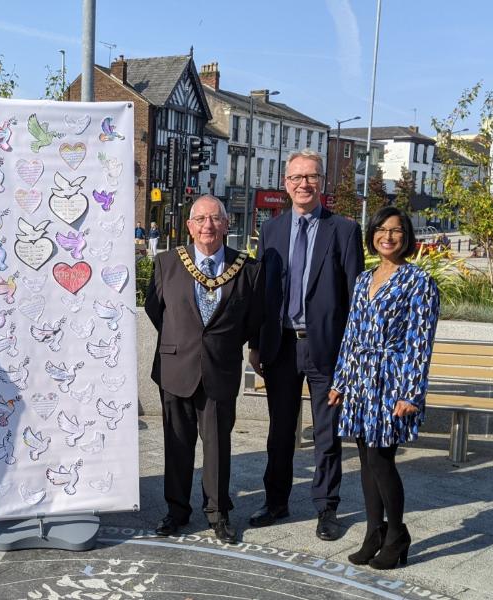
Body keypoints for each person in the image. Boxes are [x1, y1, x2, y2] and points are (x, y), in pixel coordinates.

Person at [247, 149, 364, 541]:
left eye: (311, 177)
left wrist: (350, 358)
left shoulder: (344, 231)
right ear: (285, 184)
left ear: (322, 183)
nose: (303, 184)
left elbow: (354, 299)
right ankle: (275, 501)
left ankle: (326, 507)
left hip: (325, 348)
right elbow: (262, 293)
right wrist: (256, 343)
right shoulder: (271, 231)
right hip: (280, 346)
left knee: (327, 433)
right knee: (280, 430)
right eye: (296, 177)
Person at [145, 195, 262, 544]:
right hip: (175, 366)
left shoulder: (248, 268)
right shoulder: (167, 263)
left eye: (215, 219)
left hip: (220, 370)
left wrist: (221, 346)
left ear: (227, 225)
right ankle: (177, 511)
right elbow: (156, 309)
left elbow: (254, 319)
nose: (207, 226)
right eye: (200, 219)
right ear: (189, 225)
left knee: (217, 447)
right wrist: (182, 340)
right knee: (177, 445)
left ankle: (218, 512)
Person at [328, 206, 440, 570]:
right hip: (361, 378)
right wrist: (340, 381)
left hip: (391, 379)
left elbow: (420, 342)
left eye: (395, 231)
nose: (387, 236)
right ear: (372, 234)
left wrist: (410, 392)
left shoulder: (418, 281)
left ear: (406, 237)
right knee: (364, 458)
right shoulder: (364, 279)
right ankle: (374, 531)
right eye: (381, 230)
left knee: (381, 459)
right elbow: (352, 334)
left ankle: (397, 535)